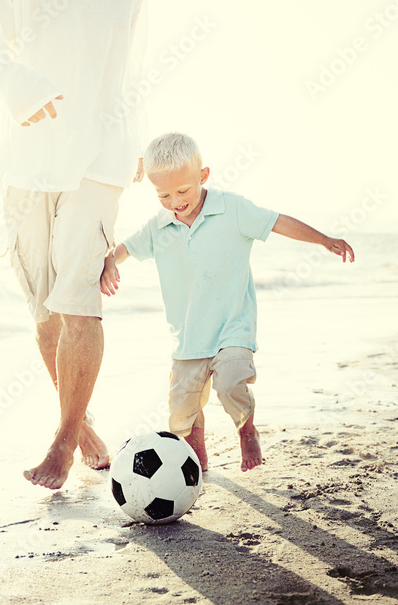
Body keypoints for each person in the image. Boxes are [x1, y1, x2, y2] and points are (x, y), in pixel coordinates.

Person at [0, 0, 147, 490]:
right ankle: (85, 428)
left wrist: (137, 138)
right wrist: (25, 84)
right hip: (28, 161)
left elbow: (133, 65)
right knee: (46, 314)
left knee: (79, 303)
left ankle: (63, 442)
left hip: (101, 158)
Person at [100, 133, 355, 471]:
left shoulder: (232, 208)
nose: (175, 201)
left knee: (231, 382)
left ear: (202, 176)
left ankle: (246, 429)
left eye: (182, 191)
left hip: (233, 326)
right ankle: (197, 451)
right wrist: (110, 261)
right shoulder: (157, 226)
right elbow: (127, 247)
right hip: (188, 337)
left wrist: (323, 240)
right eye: (163, 194)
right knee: (181, 410)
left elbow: (277, 222)